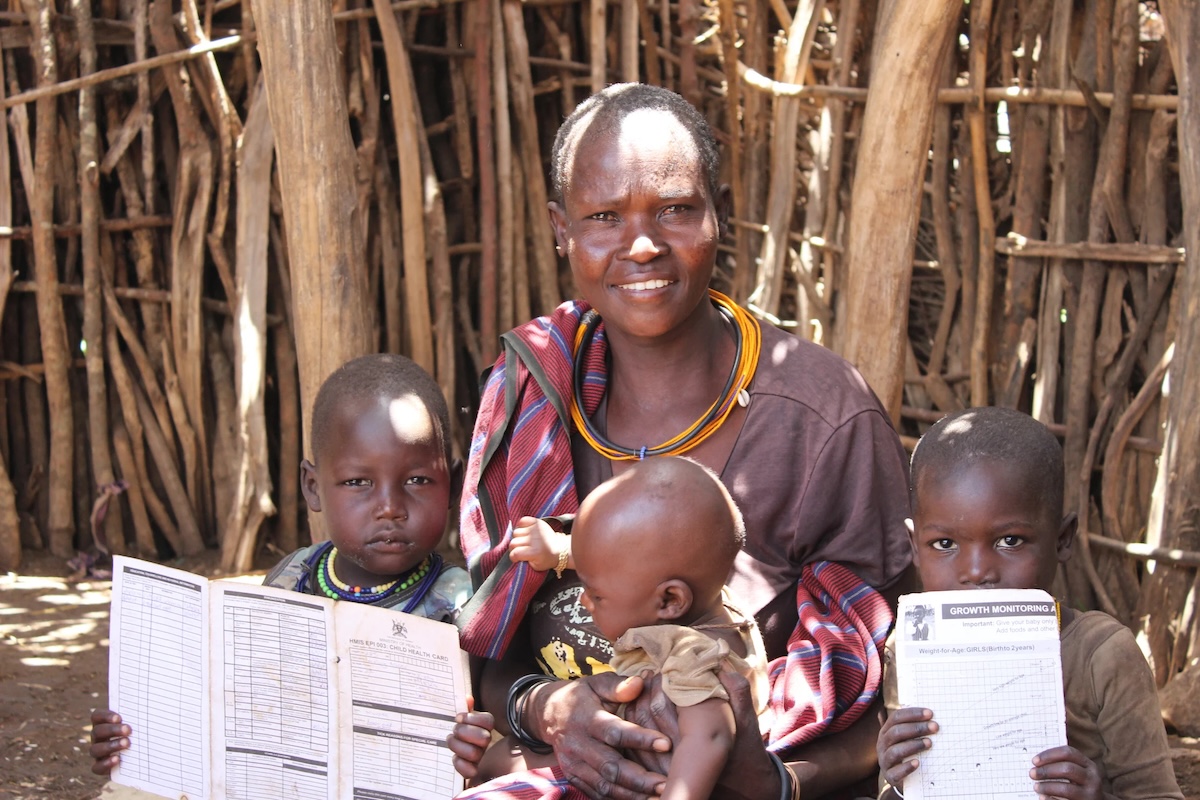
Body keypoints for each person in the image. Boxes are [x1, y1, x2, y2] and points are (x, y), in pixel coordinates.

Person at [456, 82, 914, 800]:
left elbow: (898, 690)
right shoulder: (531, 396)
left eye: (674, 210)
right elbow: (488, 643)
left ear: (718, 214)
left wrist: (774, 783)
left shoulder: (823, 424)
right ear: (560, 228)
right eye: (603, 217)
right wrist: (545, 710)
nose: (642, 245)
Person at [88, 353, 473, 775]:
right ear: (313, 487)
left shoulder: (459, 603)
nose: (390, 507)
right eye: (357, 482)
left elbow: (487, 720)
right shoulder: (292, 579)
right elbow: (239, 700)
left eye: (417, 480)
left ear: (453, 484)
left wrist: (474, 751)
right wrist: (136, 735)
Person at [876, 407, 1183, 800]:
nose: (977, 572)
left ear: (1062, 539)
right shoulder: (910, 648)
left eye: (1010, 541)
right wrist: (897, 779)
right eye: (945, 544)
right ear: (914, 547)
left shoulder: (1103, 656)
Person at [451, 457, 770, 800]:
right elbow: (617, 560)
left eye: (597, 595)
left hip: (647, 768)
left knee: (496, 764)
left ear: (670, 601)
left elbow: (709, 738)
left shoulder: (691, 656)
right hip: (627, 743)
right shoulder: (710, 596)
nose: (584, 601)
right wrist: (559, 552)